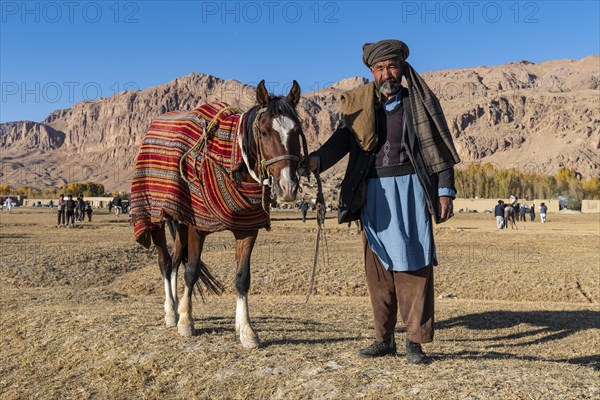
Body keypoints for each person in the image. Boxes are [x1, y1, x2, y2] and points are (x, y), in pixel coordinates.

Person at [303, 39, 459, 364]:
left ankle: (414, 343)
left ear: (401, 68)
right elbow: (342, 141)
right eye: (380, 68)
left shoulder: (420, 102)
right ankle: (383, 339)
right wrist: (317, 159)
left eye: (391, 66)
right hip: (372, 192)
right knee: (378, 270)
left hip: (412, 189)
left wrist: (445, 190)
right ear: (372, 72)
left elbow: (440, 150)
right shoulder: (361, 107)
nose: (386, 72)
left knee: (415, 266)